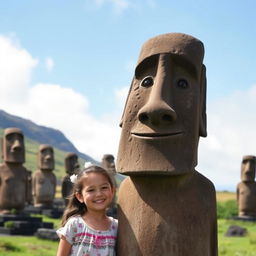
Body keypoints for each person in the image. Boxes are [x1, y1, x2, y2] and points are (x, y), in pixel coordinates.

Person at [56, 165, 118, 256]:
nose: (99, 194)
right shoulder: (75, 225)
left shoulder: (116, 227)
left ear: (112, 191)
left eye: (104, 188)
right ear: (80, 196)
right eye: (91, 190)